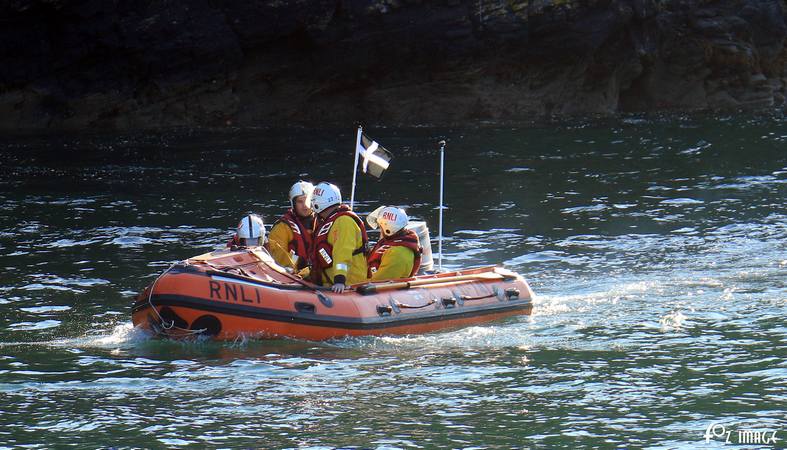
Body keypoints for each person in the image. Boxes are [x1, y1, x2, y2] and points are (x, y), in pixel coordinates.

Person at [309, 182, 368, 293]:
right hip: (328, 283)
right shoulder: (329, 221)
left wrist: (340, 280)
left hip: (347, 284)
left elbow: (342, 251)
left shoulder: (343, 221)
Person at [267, 181, 315, 275]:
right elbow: (279, 255)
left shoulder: (321, 222)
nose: (305, 205)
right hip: (295, 275)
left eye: (307, 201)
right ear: (293, 204)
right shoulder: (282, 227)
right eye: (300, 201)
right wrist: (300, 262)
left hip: (318, 272)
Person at [366, 206, 422, 281]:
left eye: (380, 227)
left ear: (387, 229)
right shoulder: (396, 244)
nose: (380, 230)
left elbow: (380, 282)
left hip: (383, 289)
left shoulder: (397, 253)